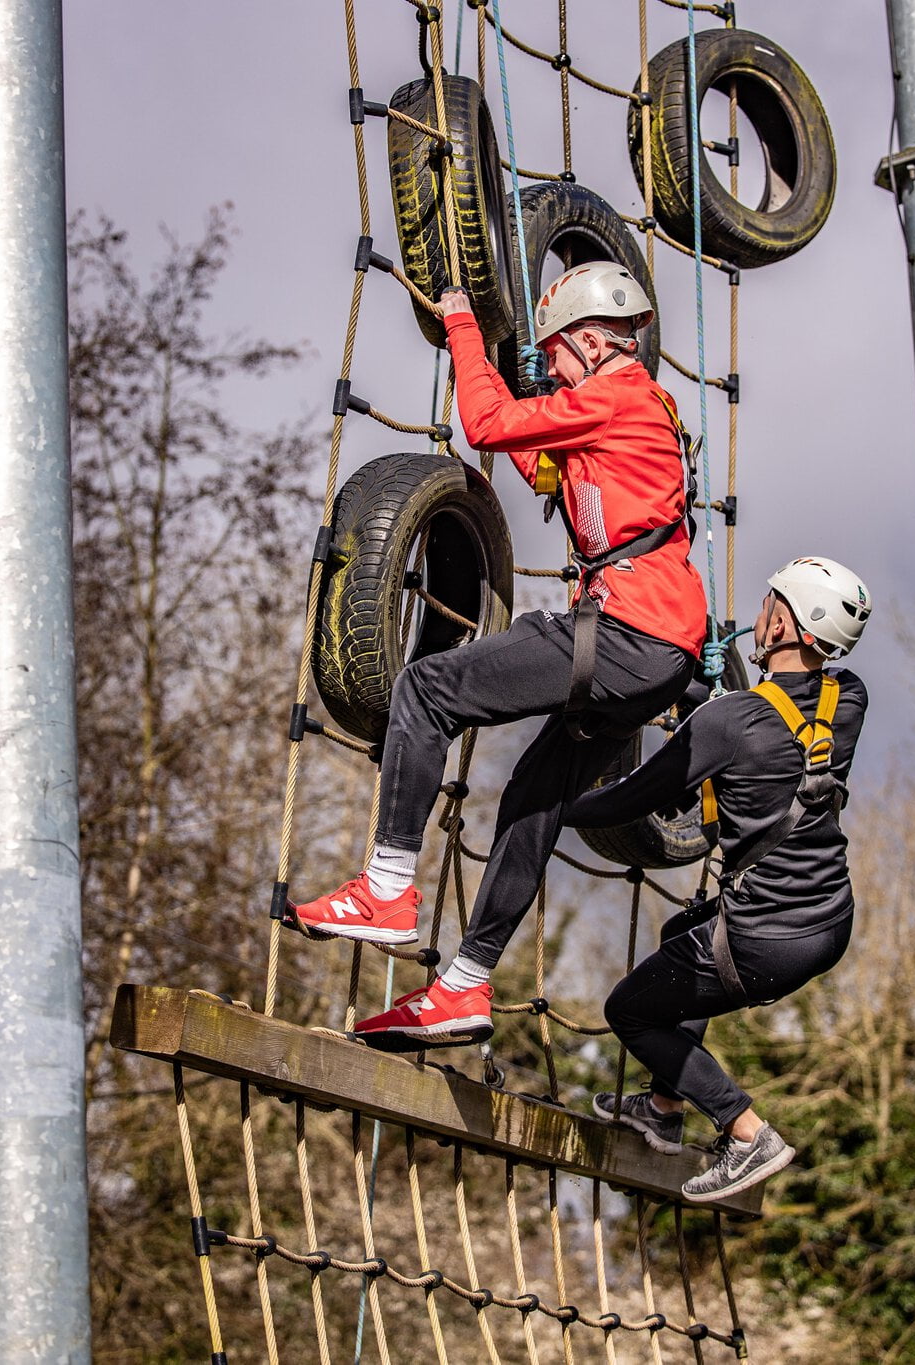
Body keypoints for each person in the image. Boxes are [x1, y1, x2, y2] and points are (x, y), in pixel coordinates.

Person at [290, 262, 708, 1051]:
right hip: (658, 649)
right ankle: (464, 983)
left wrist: (462, 327)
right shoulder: (634, 407)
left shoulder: (615, 398)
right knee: (533, 799)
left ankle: (386, 887)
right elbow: (537, 456)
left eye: (556, 353)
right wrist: (523, 398)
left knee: (425, 689)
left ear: (590, 341)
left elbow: (483, 427)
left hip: (628, 629)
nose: (550, 366)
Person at [571, 556, 871, 1203]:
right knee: (684, 931)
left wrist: (556, 811)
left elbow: (634, 798)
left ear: (787, 623)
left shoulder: (728, 724)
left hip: (763, 938)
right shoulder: (848, 699)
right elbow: (772, 745)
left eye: (771, 603)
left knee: (630, 1010)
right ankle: (663, 1107)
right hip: (828, 917)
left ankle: (745, 1129)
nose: (759, 615)